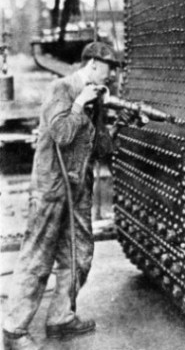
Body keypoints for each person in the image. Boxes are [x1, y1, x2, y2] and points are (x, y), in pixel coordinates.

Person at [3, 41, 132, 350]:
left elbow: (101, 149)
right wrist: (79, 104)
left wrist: (119, 124)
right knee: (38, 259)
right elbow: (60, 134)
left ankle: (61, 317)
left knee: (80, 255)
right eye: (110, 70)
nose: (112, 77)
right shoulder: (61, 89)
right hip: (51, 189)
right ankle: (14, 330)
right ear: (94, 65)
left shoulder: (95, 100)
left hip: (78, 190)